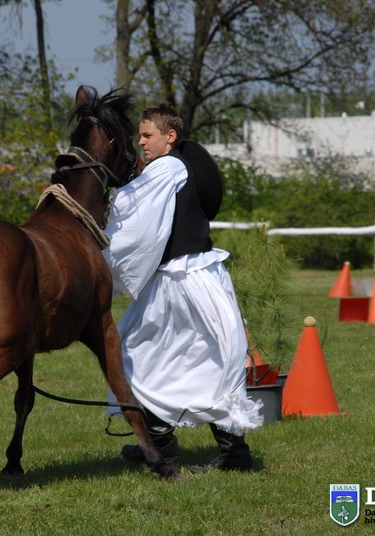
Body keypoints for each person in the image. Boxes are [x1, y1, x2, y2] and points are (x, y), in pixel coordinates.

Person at [102, 103, 263, 472]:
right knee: (144, 354)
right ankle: (163, 442)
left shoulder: (168, 166)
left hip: (186, 280)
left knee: (189, 359)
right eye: (140, 136)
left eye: (148, 135)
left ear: (170, 136)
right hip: (179, 278)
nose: (141, 143)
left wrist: (97, 197)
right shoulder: (173, 166)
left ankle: (229, 453)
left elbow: (129, 205)